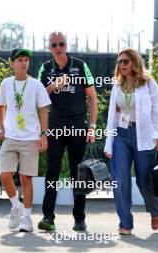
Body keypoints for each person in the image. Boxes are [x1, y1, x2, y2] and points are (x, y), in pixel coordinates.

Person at [38, 31, 97, 232]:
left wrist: (92, 126)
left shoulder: (80, 66)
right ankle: (48, 217)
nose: (58, 47)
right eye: (54, 44)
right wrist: (54, 85)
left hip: (77, 125)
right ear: (49, 48)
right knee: (52, 171)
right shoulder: (45, 69)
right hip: (54, 125)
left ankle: (79, 219)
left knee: (77, 172)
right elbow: (40, 98)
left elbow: (93, 97)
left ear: (66, 45)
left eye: (61, 43)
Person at [104, 48, 158, 235]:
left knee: (143, 179)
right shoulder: (117, 86)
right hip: (121, 135)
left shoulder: (148, 84)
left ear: (134, 62)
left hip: (144, 136)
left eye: (125, 61)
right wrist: (109, 142)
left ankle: (155, 210)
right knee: (120, 179)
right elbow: (112, 117)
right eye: (119, 62)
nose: (121, 65)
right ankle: (125, 223)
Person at [0, 48, 51, 232]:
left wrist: (44, 135)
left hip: (30, 138)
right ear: (12, 64)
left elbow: (44, 110)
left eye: (26, 59)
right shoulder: (6, 84)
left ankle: (27, 219)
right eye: (20, 60)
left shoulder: (36, 85)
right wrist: (1, 128)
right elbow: (0, 106)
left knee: (26, 178)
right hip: (10, 137)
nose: (24, 62)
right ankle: (15, 206)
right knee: (5, 174)